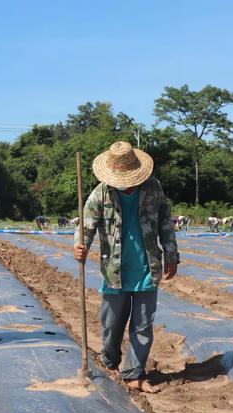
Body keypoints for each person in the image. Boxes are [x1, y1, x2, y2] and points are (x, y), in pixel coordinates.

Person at [74, 141, 179, 393]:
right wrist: (80, 245)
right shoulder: (101, 193)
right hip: (115, 270)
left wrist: (171, 254)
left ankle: (135, 373)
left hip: (146, 267)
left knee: (143, 325)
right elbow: (86, 224)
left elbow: (165, 220)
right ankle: (110, 360)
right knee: (111, 323)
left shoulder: (153, 189)